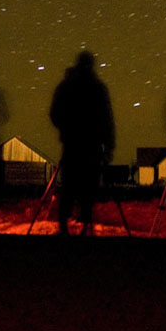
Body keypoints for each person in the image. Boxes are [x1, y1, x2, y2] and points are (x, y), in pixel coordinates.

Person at [50, 51, 115, 235]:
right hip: (92, 145)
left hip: (72, 143)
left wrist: (66, 128)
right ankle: (86, 225)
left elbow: (54, 113)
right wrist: (109, 146)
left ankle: (64, 225)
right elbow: (107, 119)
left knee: (69, 185)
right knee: (88, 185)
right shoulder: (98, 88)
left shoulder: (66, 86)